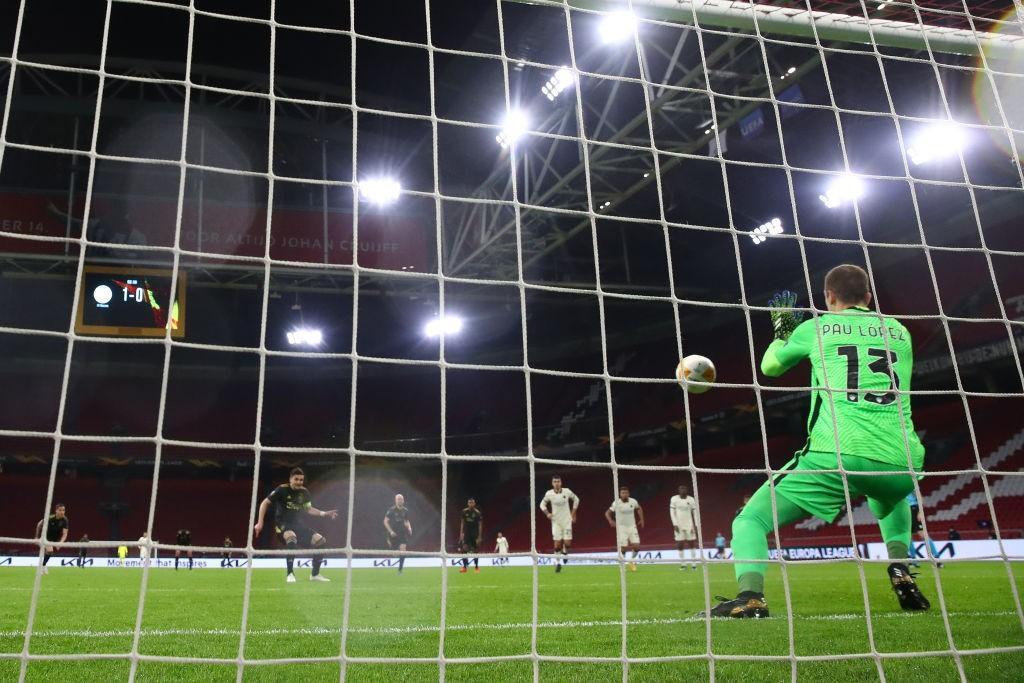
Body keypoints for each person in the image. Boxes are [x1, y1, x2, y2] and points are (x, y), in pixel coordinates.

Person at [708, 265, 930, 619]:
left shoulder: (817, 328)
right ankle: (900, 566)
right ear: (869, 297)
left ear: (828, 297)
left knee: (749, 521)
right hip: (902, 458)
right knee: (890, 499)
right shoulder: (899, 331)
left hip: (835, 453)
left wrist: (783, 333)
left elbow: (770, 368)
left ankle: (750, 597)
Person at [254, 467, 338, 583]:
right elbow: (265, 503)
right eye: (296, 479)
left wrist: (324, 513)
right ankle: (290, 574)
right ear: (290, 479)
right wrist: (260, 522)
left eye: (301, 480)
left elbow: (308, 509)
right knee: (291, 536)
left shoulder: (304, 492)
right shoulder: (281, 489)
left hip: (298, 525)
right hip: (282, 526)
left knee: (321, 541)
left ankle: (315, 575)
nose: (299, 482)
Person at [539, 476, 580, 573]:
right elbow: (542, 505)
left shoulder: (567, 491)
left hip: (567, 521)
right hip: (556, 522)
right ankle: (557, 563)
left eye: (558, 481)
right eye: (554, 481)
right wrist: (547, 513)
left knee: (567, 543)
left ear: (561, 483)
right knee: (557, 545)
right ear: (552, 483)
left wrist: (573, 513)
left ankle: (565, 551)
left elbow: (576, 500)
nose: (556, 483)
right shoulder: (549, 494)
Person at [605, 486, 644, 571]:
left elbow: (639, 508)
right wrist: (610, 521)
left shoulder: (633, 501)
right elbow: (607, 513)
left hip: (632, 526)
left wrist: (641, 519)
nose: (624, 494)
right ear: (620, 494)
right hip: (621, 528)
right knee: (623, 548)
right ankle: (622, 564)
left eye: (626, 493)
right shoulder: (616, 503)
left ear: (628, 494)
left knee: (637, 547)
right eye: (623, 493)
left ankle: (632, 561)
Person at [907, 492, 942, 569]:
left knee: (923, 535)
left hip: (913, 509)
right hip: (904, 510)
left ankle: (936, 558)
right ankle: (914, 561)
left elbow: (919, 495)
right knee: (908, 536)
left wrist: (920, 511)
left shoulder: (909, 482)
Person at [670, 484, 698, 570]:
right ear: (678, 490)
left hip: (690, 525)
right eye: (681, 489)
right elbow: (672, 512)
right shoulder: (674, 499)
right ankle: (683, 564)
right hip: (679, 525)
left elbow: (695, 513)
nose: (682, 490)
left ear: (687, 490)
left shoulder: (691, 499)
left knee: (692, 544)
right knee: (680, 544)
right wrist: (674, 524)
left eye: (684, 489)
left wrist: (696, 525)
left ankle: (694, 564)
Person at [35, 503, 69, 575]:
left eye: (63, 510)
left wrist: (61, 542)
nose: (62, 512)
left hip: (55, 538)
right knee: (50, 550)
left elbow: (65, 533)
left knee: (49, 552)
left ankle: (43, 565)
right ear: (56, 511)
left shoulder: (65, 520)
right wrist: (36, 537)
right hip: (45, 537)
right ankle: (42, 567)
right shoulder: (50, 518)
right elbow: (39, 524)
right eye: (60, 510)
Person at [384, 494, 413, 574]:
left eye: (401, 499)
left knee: (403, 550)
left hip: (402, 533)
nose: (400, 500)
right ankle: (393, 549)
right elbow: (385, 521)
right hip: (393, 534)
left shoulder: (405, 510)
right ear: (395, 500)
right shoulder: (391, 510)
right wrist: (391, 531)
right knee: (394, 553)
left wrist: (409, 528)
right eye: (398, 499)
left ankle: (400, 570)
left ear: (403, 500)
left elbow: (406, 521)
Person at [458, 498, 483, 574]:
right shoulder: (464, 511)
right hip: (466, 534)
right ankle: (464, 567)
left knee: (476, 550)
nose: (471, 504)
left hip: (474, 534)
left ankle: (476, 567)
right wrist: (461, 534)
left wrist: (479, 537)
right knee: (464, 550)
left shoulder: (477, 513)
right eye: (469, 502)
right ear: (467, 504)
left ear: (474, 504)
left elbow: (480, 525)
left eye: (472, 503)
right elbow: (462, 523)